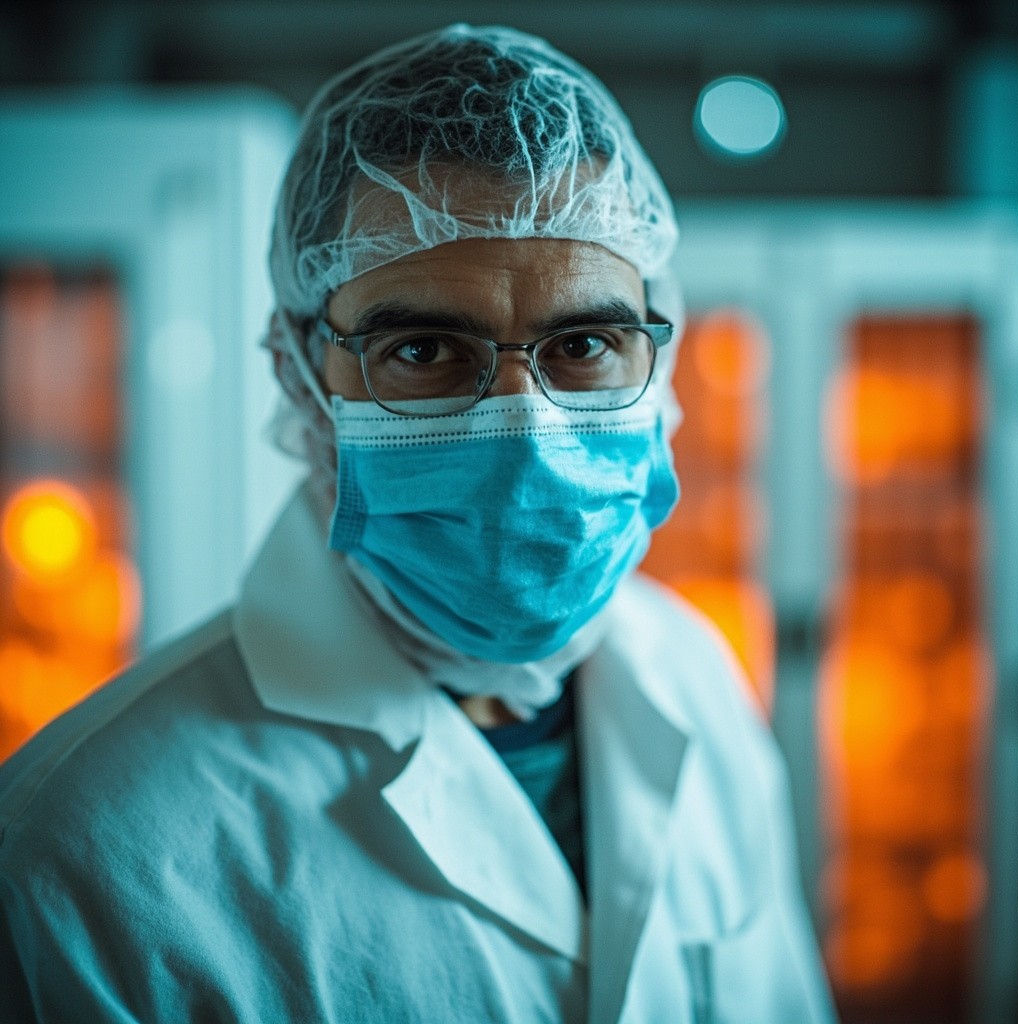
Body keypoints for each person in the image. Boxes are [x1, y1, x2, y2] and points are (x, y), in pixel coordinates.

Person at [0, 24, 836, 1023]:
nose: (527, 434)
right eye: (425, 351)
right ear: (303, 377)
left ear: (658, 355)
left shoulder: (696, 678)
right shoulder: (90, 854)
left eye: (583, 344)